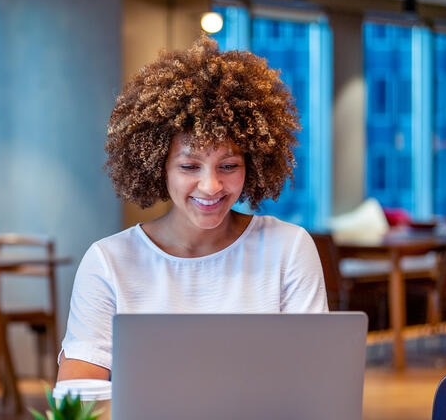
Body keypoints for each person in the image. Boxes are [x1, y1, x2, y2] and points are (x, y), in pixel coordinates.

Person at [57, 35, 329, 381]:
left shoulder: (288, 248)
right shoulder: (108, 263)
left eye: (228, 166)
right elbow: (79, 396)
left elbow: (314, 380)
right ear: (158, 167)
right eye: (189, 167)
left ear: (253, 164)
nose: (211, 186)